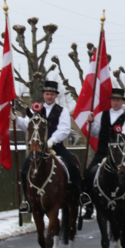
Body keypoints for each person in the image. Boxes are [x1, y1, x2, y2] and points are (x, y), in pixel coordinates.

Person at [11, 81, 85, 213]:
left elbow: (65, 129)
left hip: (56, 146)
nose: (49, 96)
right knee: (24, 170)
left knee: (72, 165)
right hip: (38, 149)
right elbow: (27, 125)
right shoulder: (36, 110)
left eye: (52, 94)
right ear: (43, 95)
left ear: (56, 95)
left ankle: (81, 195)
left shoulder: (62, 111)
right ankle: (27, 201)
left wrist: (52, 140)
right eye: (47, 94)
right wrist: (16, 119)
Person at [84, 88, 125, 216]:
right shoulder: (101, 115)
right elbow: (95, 132)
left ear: (123, 102)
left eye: (118, 100)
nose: (115, 103)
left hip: (119, 153)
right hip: (103, 152)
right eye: (113, 100)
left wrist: (116, 141)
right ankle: (88, 204)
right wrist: (91, 123)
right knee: (89, 173)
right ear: (110, 101)